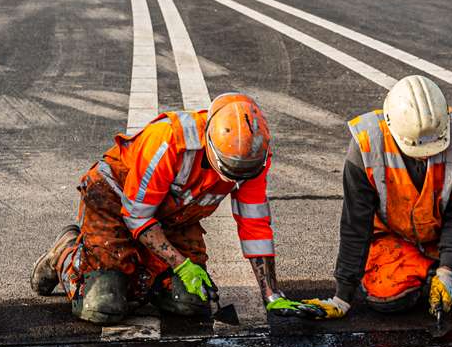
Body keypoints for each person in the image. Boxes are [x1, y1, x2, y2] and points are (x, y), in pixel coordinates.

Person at [31, 94, 321, 324]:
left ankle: (132, 277)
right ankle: (67, 252)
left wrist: (271, 294)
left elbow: (255, 226)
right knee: (103, 308)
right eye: (230, 173)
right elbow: (137, 215)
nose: (235, 182)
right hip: (114, 201)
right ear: (211, 146)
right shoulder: (169, 140)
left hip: (172, 215)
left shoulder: (252, 155)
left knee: (192, 302)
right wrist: (181, 264)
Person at [303, 76, 452, 321]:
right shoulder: (366, 145)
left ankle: (439, 270)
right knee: (388, 298)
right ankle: (425, 271)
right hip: (395, 233)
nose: (425, 158)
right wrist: (342, 297)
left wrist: (447, 271)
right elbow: (356, 224)